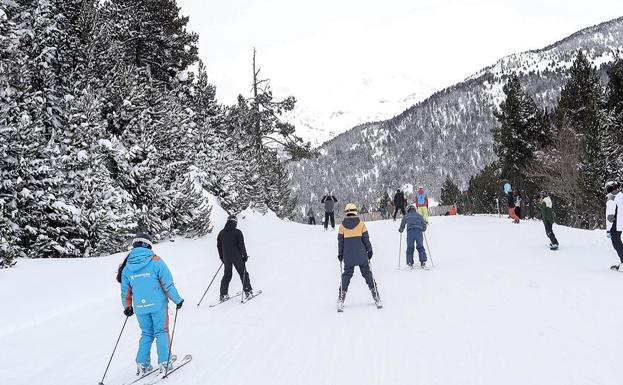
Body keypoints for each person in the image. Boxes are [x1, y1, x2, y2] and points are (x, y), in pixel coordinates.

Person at [118, 233, 184, 375]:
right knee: (161, 331)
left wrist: (127, 307)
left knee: (147, 333)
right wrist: (177, 299)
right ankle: (165, 362)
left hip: (140, 307)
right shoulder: (156, 261)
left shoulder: (127, 267)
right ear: (148, 245)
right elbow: (168, 285)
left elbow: (125, 291)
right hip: (158, 305)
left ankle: (142, 364)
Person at [337, 203, 381, 308]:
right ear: (355, 211)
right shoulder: (361, 224)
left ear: (346, 212)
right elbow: (366, 239)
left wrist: (340, 254)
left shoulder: (342, 226)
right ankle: (375, 293)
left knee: (347, 275)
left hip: (348, 256)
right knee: (367, 273)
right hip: (362, 255)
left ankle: (341, 296)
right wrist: (369, 251)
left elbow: (340, 242)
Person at [217, 215, 253, 300]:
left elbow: (219, 246)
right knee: (243, 273)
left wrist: (222, 257)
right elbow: (241, 245)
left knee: (227, 275)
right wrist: (244, 255)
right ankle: (247, 291)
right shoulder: (237, 232)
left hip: (226, 258)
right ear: (235, 222)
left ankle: (223, 294)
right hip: (237, 257)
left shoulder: (221, 233)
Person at [605, 181, 623, 270]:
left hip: (614, 225)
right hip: (619, 224)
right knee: (618, 242)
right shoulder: (620, 197)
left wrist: (608, 230)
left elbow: (610, 217)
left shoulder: (611, 199)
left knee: (616, 243)